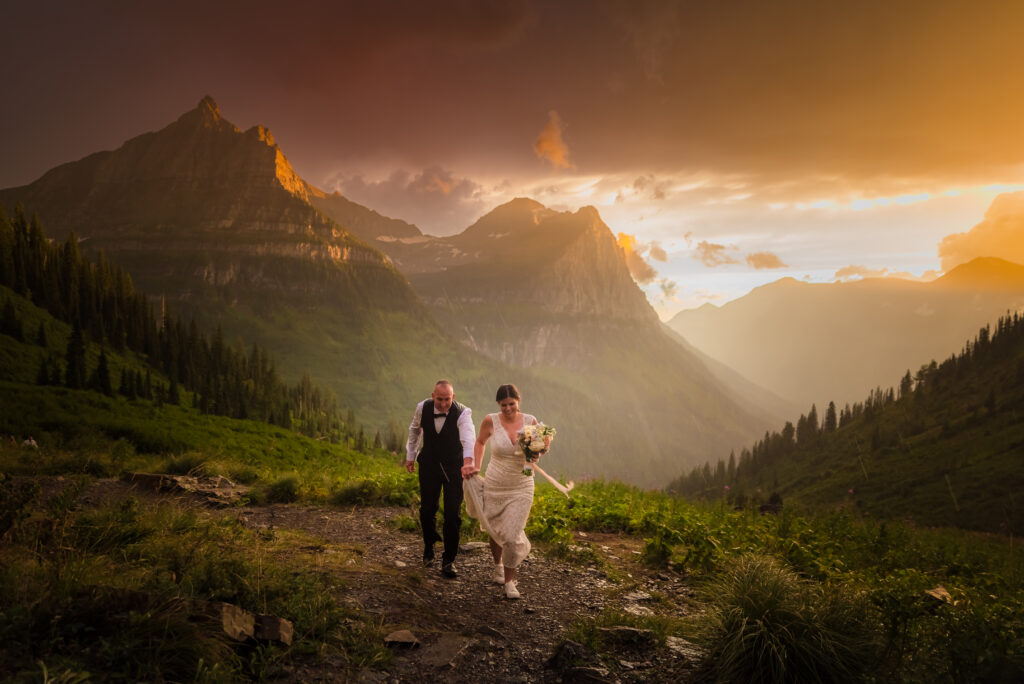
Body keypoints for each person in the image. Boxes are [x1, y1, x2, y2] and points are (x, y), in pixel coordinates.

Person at [465, 383, 548, 600]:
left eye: (511, 404)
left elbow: (536, 454)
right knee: (495, 529)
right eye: (504, 405)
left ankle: (510, 582)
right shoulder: (490, 420)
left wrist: (537, 453)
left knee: (511, 534)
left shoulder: (531, 421)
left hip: (522, 484)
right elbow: (481, 442)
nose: (508, 408)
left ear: (518, 402)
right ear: (498, 404)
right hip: (495, 482)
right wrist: (476, 466)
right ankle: (498, 566)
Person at [406, 380, 475, 578]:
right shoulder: (423, 407)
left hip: (454, 468)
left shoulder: (463, 412)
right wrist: (411, 456)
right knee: (427, 509)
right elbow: (414, 430)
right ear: (433, 395)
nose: (443, 404)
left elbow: (468, 438)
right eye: (439, 399)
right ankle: (429, 547)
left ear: (452, 397)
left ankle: (449, 560)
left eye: (447, 400)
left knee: (453, 514)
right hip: (428, 465)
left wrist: (468, 462)